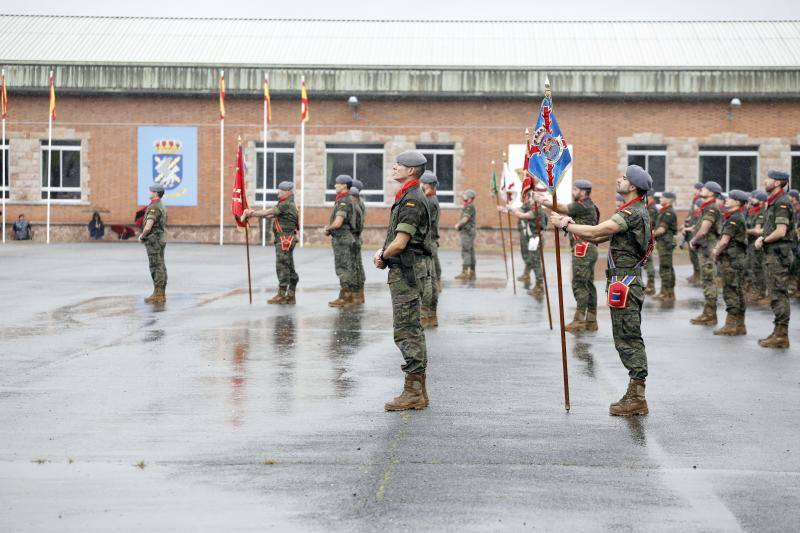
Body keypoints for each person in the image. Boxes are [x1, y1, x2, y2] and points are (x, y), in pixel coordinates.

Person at [549, 164, 653, 416]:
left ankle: (637, 396)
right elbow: (596, 238)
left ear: (633, 186)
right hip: (622, 281)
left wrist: (565, 226)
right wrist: (572, 224)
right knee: (624, 338)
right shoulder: (630, 211)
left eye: (624, 178)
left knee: (628, 339)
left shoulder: (633, 213)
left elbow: (597, 230)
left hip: (626, 282)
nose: (619, 179)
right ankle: (635, 393)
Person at [374, 151, 433, 411]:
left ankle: (414, 392)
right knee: (409, 328)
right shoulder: (407, 196)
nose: (394, 167)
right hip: (405, 269)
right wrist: (384, 252)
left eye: (400, 164)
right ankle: (417, 390)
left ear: (412, 171)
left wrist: (383, 256)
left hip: (407, 272)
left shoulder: (412, 200)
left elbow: (400, 242)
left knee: (407, 330)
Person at [538, 179, 599, 332]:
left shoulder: (581, 205)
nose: (573, 192)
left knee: (579, 283)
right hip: (590, 248)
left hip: (582, 248)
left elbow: (560, 207)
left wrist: (542, 200)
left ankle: (579, 320)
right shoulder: (592, 206)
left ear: (583, 192)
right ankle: (591, 320)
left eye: (575, 189)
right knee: (588, 284)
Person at [754, 170, 795, 348]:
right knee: (776, 294)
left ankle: (781, 335)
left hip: (779, 254)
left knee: (779, 294)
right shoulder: (775, 201)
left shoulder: (782, 202)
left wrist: (764, 239)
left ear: (778, 183)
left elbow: (781, 231)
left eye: (769, 179)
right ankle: (778, 331)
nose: (765, 180)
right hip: (774, 254)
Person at [243, 181, 299, 304]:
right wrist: (255, 214)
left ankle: (282, 294)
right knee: (288, 265)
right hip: (286, 238)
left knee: (282, 265)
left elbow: (269, 212)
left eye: (281, 190)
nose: (278, 192)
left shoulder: (286, 203)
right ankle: (290, 294)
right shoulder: (286, 203)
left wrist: (251, 213)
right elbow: (270, 215)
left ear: (287, 192)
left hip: (285, 239)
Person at [711, 190, 750, 335]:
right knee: (738, 290)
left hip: (732, 260)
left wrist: (715, 251)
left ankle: (731, 325)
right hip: (737, 259)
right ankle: (740, 324)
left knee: (731, 291)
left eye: (731, 198)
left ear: (738, 202)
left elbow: (725, 240)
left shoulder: (734, 218)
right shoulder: (737, 216)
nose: (727, 200)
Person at [501, 187, 548, 298]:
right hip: (533, 239)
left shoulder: (537, 210)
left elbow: (522, 215)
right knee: (533, 261)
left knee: (536, 264)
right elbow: (521, 211)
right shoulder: (533, 207)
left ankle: (540, 287)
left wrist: (512, 209)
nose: (530, 200)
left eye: (532, 198)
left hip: (536, 239)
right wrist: (509, 209)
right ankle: (538, 285)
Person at [688, 181, 722, 325]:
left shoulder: (711, 208)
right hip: (705, 247)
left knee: (708, 280)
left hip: (708, 248)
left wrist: (694, 240)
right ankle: (708, 313)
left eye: (706, 188)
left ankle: (710, 315)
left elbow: (704, 229)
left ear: (712, 193)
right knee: (707, 280)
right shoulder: (706, 207)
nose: (702, 189)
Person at [325, 174, 356, 307]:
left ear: (344, 185)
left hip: (342, 238)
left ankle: (346, 297)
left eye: (337, 183)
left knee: (343, 268)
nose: (335, 185)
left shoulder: (343, 201)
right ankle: (346, 296)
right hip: (343, 237)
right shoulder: (344, 199)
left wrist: (328, 228)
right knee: (345, 267)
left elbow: (338, 223)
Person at [139, 183, 168, 303]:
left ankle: (159, 294)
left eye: (151, 191)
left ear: (156, 193)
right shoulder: (160, 205)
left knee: (155, 266)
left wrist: (142, 236)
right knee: (160, 265)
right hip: (159, 239)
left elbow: (148, 225)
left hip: (153, 240)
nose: (149, 192)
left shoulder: (154, 207)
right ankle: (159, 292)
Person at [420, 170, 440, 328]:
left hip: (426, 242)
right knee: (431, 279)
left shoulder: (429, 201)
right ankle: (431, 314)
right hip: (431, 242)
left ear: (427, 185)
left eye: (422, 184)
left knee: (427, 279)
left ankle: (426, 314)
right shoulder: (433, 199)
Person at [745, 190, 769, 305]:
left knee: (758, 269)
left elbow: (757, 230)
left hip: (757, 245)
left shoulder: (761, 213)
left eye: (754, 198)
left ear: (761, 201)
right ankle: (754, 289)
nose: (751, 200)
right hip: (750, 244)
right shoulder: (752, 211)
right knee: (751, 267)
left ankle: (760, 292)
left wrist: (745, 231)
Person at [653, 192, 678, 302]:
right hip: (663, 242)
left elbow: (662, 230)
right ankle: (667, 292)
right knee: (666, 267)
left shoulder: (669, 213)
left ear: (669, 199)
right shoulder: (664, 211)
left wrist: (649, 235)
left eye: (663, 197)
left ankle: (667, 293)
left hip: (666, 243)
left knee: (665, 268)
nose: (660, 198)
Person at [683, 182, 704, 286]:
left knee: (696, 255)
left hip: (694, 230)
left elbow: (699, 218)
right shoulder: (695, 199)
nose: (694, 190)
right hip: (691, 228)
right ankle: (695, 274)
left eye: (695, 189)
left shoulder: (700, 200)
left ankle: (698, 275)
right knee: (692, 255)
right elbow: (692, 213)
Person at [454, 189, 477, 280]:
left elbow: (465, 218)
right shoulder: (469, 205)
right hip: (469, 231)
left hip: (467, 232)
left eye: (466, 195)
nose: (464, 196)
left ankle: (465, 272)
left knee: (466, 251)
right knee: (470, 251)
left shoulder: (469, 206)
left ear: (470, 198)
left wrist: (458, 225)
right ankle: (471, 271)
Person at [350, 178, 367, 304]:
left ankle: (356, 294)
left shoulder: (356, 204)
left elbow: (354, 224)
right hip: (356, 237)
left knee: (355, 267)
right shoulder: (359, 202)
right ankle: (358, 294)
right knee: (357, 266)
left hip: (353, 238)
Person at [644, 195, 659, 295]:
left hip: (648, 237)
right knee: (645, 262)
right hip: (645, 236)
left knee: (648, 262)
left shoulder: (652, 209)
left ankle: (651, 285)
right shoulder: (647, 207)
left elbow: (649, 223)